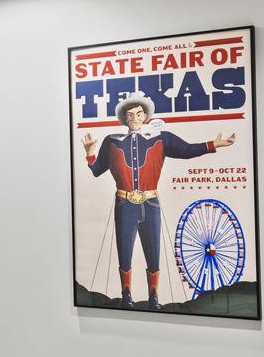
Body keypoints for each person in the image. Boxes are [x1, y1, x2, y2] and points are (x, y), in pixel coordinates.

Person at [82, 94, 234, 308]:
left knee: (153, 251)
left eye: (138, 114)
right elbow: (97, 170)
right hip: (124, 204)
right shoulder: (112, 141)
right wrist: (90, 154)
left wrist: (213, 144)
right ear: (124, 118)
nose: (134, 118)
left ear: (145, 116)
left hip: (150, 203)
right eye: (130, 114)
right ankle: (126, 295)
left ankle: (154, 296)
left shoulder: (161, 138)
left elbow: (187, 150)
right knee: (124, 251)